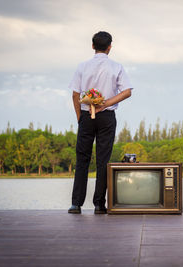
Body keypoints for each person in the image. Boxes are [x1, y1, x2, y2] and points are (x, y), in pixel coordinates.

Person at [68, 31, 133, 214]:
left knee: (82, 160)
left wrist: (80, 117)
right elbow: (127, 91)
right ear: (110, 47)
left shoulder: (82, 66)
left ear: (92, 46)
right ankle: (99, 204)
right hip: (106, 117)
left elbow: (75, 94)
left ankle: (76, 204)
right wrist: (107, 103)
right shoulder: (116, 66)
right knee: (103, 160)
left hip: (86, 115)